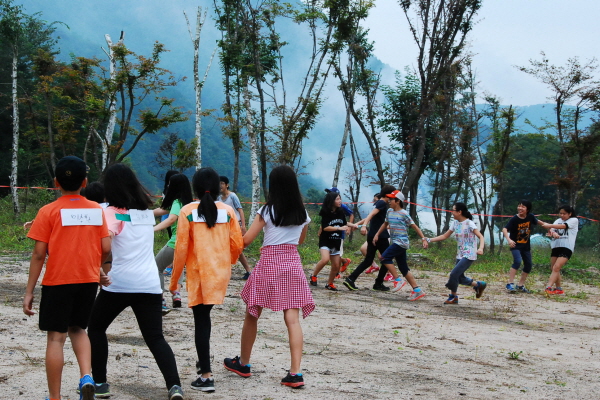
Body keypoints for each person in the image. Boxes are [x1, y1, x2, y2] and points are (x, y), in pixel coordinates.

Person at [87, 163, 184, 400]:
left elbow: (106, 241)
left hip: (120, 283)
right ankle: (174, 386)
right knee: (155, 338)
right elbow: (159, 212)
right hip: (149, 284)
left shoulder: (111, 212)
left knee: (96, 328)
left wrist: (98, 267)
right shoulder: (143, 214)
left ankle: (100, 383)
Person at [23, 156, 111, 400]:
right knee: (79, 329)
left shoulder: (48, 211)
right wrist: (96, 267)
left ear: (56, 182)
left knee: (56, 338)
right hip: (87, 280)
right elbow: (105, 247)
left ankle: (55, 397)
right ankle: (87, 376)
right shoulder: (96, 210)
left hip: (58, 281)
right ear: (84, 182)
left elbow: (39, 254)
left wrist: (29, 291)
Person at [224, 165, 314, 388]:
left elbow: (246, 241)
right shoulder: (302, 213)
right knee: (292, 320)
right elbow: (300, 241)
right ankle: (295, 373)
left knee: (252, 313)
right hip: (292, 264)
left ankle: (243, 363)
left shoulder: (267, 210)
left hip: (269, 264)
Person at [171, 168, 243, 393]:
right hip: (219, 274)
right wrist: (228, 262)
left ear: (196, 187)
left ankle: (206, 376)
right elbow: (237, 245)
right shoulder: (228, 211)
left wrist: (174, 282)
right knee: (205, 319)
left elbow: (180, 250)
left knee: (201, 322)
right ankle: (203, 364)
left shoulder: (187, 211)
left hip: (199, 275)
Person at [346, 190, 427, 301]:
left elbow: (414, 226)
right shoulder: (389, 211)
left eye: (391, 199)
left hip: (401, 242)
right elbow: (384, 224)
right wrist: (377, 235)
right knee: (403, 268)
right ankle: (417, 290)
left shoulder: (404, 213)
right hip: (395, 242)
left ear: (398, 201)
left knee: (384, 257)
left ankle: (398, 280)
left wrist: (423, 239)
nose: (389, 201)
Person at [425, 202, 486, 305]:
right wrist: (429, 239)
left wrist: (480, 248)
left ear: (459, 212)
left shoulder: (469, 223)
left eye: (453, 210)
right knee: (459, 277)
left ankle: (453, 295)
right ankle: (478, 285)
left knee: (454, 274)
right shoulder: (455, 223)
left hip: (469, 254)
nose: (451, 212)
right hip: (460, 253)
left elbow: (481, 236)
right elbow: (445, 236)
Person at [344, 185, 396, 291]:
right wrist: (363, 226)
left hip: (372, 235)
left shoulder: (378, 203)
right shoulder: (382, 203)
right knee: (387, 260)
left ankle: (351, 279)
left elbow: (372, 216)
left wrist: (361, 224)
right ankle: (378, 283)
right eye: (393, 194)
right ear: (388, 195)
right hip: (380, 236)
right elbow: (371, 215)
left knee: (368, 260)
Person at [153, 174, 193, 311]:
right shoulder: (188, 203)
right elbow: (162, 210)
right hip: (188, 244)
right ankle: (176, 294)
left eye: (170, 184)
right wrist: (144, 213)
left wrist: (153, 229)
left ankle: (160, 299)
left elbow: (171, 219)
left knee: (156, 267)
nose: (168, 186)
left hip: (176, 242)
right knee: (178, 266)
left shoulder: (177, 201)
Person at [309, 191, 357, 290]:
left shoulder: (340, 212)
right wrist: (339, 228)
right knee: (325, 259)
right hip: (325, 240)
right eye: (337, 199)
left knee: (336, 265)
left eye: (340, 199)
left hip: (336, 241)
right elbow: (325, 227)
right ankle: (313, 275)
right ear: (331, 201)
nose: (340, 201)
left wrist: (353, 225)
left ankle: (329, 283)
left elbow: (344, 223)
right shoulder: (325, 212)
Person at [502, 200, 544, 293]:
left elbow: (540, 222)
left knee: (528, 265)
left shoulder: (530, 216)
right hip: (515, 245)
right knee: (517, 261)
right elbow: (505, 229)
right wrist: (509, 240)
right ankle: (510, 284)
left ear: (527, 209)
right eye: (519, 206)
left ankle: (520, 285)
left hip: (526, 246)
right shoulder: (514, 219)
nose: (520, 208)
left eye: (523, 207)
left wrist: (550, 228)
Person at [218, 175, 252, 279]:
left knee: (237, 249)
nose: (220, 186)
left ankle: (248, 271)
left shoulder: (232, 196)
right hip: (224, 226)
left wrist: (243, 226)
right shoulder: (218, 198)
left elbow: (240, 210)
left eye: (222, 183)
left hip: (235, 225)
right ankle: (224, 271)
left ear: (227, 185)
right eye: (218, 183)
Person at [541, 205, 579, 295]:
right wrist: (553, 233)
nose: (562, 215)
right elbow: (552, 230)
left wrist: (549, 225)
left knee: (557, 267)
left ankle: (548, 287)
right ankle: (559, 288)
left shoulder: (574, 220)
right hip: (556, 246)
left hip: (566, 247)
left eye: (564, 214)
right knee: (553, 268)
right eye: (560, 213)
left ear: (570, 214)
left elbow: (563, 226)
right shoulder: (558, 221)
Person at [324, 187, 354, 272]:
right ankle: (344, 261)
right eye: (328, 193)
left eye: (330, 193)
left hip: (339, 234)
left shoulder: (342, 206)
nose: (328, 194)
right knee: (330, 253)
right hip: (329, 233)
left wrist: (349, 227)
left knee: (336, 253)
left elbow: (351, 214)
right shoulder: (327, 207)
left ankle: (336, 273)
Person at [364, 193, 382, 274]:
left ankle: (391, 273)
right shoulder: (375, 209)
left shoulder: (383, 208)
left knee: (381, 255)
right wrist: (357, 224)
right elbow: (368, 217)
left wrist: (364, 225)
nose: (374, 202)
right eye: (373, 200)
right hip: (374, 234)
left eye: (375, 200)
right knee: (363, 249)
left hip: (382, 235)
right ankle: (374, 266)